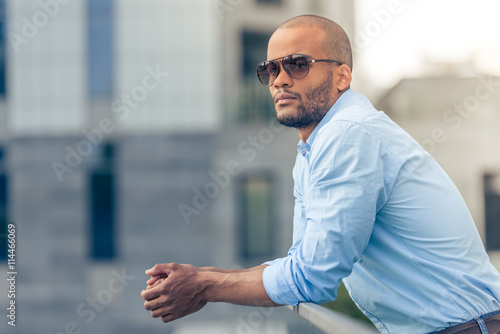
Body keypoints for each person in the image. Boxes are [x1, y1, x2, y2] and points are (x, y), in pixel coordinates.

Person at [141, 14, 500, 334]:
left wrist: (204, 286)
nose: (280, 80)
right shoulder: (313, 149)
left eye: (297, 64)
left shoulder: (350, 134)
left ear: (342, 75)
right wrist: (203, 275)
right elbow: (301, 262)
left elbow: (312, 277)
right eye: (270, 70)